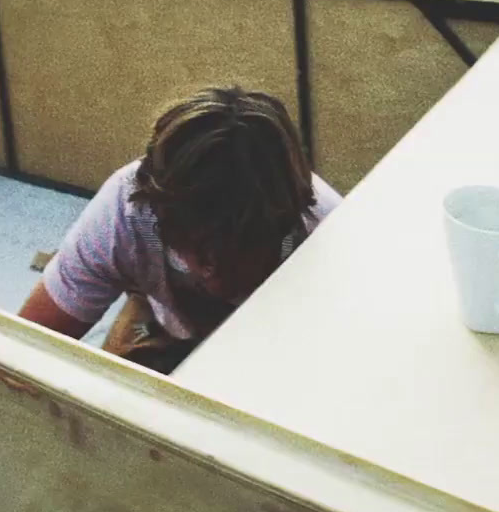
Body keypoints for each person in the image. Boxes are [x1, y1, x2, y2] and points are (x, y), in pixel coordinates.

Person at [18, 86, 342, 374]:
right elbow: (18, 354)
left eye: (234, 259)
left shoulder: (327, 237)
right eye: (198, 257)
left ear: (282, 227)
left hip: (288, 344)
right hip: (170, 321)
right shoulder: (125, 211)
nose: (214, 279)